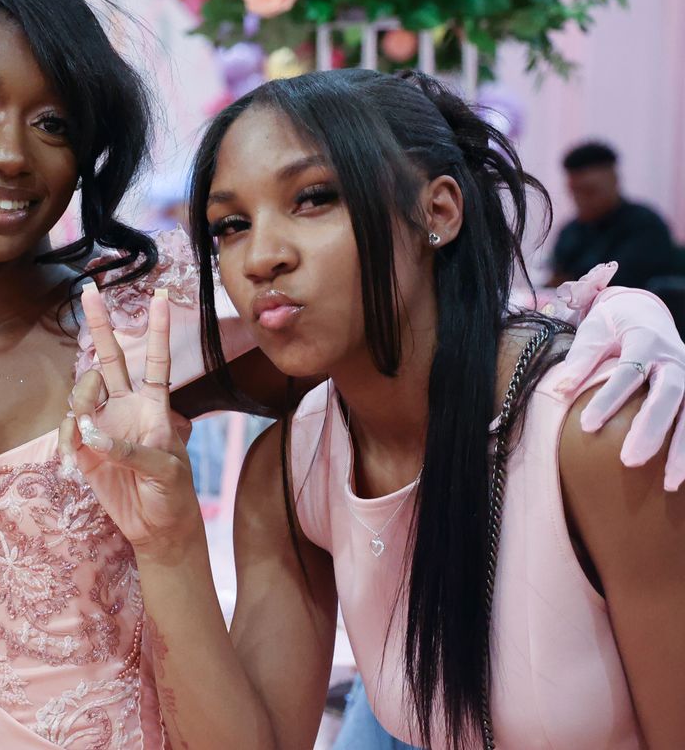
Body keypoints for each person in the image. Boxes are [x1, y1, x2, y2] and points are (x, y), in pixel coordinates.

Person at [0, 0, 685, 750]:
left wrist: (620, 318)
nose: (10, 154)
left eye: (56, 123)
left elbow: (429, 335)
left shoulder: (150, 323)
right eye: (230, 225)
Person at [68, 70, 685, 748]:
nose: (261, 258)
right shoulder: (288, 472)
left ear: (437, 212)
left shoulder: (599, 434)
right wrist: (167, 544)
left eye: (313, 198)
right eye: (232, 225)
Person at [550, 141, 676, 288]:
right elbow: (556, 277)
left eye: (589, 191)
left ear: (614, 180)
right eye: (574, 192)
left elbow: (622, 281)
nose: (581, 200)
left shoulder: (645, 226)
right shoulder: (570, 231)